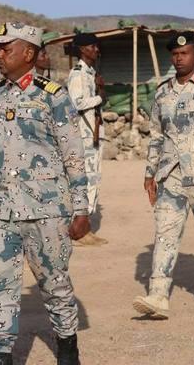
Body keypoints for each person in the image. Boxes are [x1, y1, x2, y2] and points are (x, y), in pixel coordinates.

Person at [0, 22, 90, 365]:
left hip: (47, 209)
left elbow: (73, 153)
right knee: (0, 286)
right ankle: (0, 356)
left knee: (55, 285)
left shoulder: (52, 95)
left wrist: (81, 209)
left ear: (28, 53)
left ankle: (67, 348)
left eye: (4, 48)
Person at [133, 31, 194, 319]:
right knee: (165, 235)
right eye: (174, 54)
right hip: (170, 175)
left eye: (184, 54)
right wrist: (150, 173)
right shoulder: (162, 92)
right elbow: (157, 136)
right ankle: (158, 295)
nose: (179, 58)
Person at [68, 33, 108, 246]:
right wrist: (100, 96)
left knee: (93, 181)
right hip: (84, 135)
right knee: (86, 181)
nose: (96, 50)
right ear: (83, 49)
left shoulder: (90, 73)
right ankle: (78, 230)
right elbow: (77, 103)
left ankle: (84, 227)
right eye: (93, 47)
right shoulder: (78, 74)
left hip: (93, 133)